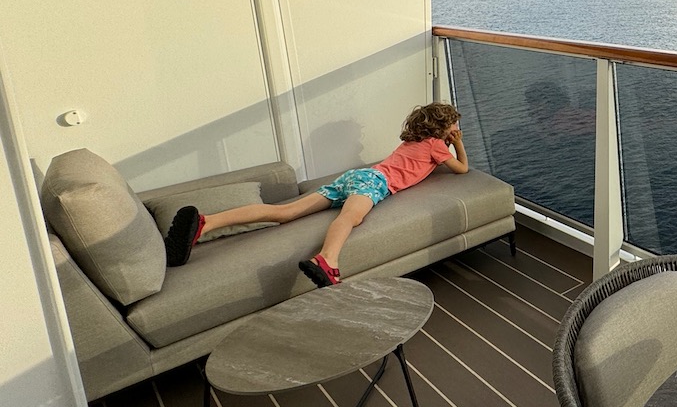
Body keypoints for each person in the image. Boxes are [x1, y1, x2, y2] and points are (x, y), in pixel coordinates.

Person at [163, 102, 468, 287]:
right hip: (376, 181)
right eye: (455, 123)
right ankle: (327, 260)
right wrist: (458, 143)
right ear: (444, 127)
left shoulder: (412, 141)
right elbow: (462, 169)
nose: (457, 127)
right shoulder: (436, 146)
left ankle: (207, 222)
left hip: (356, 175)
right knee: (351, 218)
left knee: (285, 212)